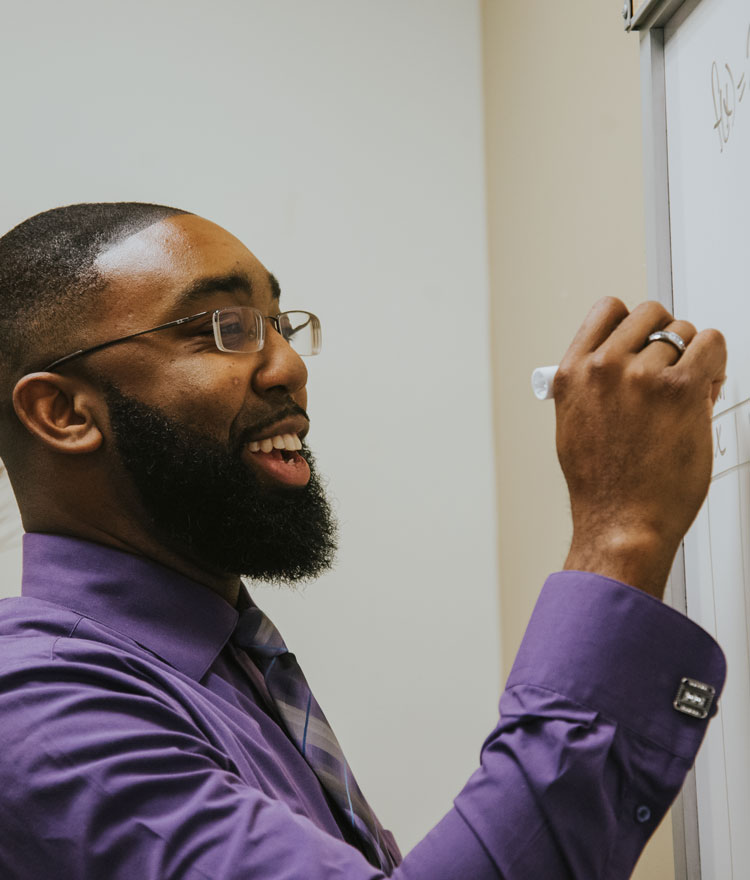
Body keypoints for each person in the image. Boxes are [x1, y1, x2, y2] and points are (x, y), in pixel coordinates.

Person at [0, 202, 727, 879]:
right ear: (63, 411)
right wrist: (621, 533)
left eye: (279, 325)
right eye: (223, 328)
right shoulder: (36, 711)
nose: (289, 366)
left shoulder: (233, 665)